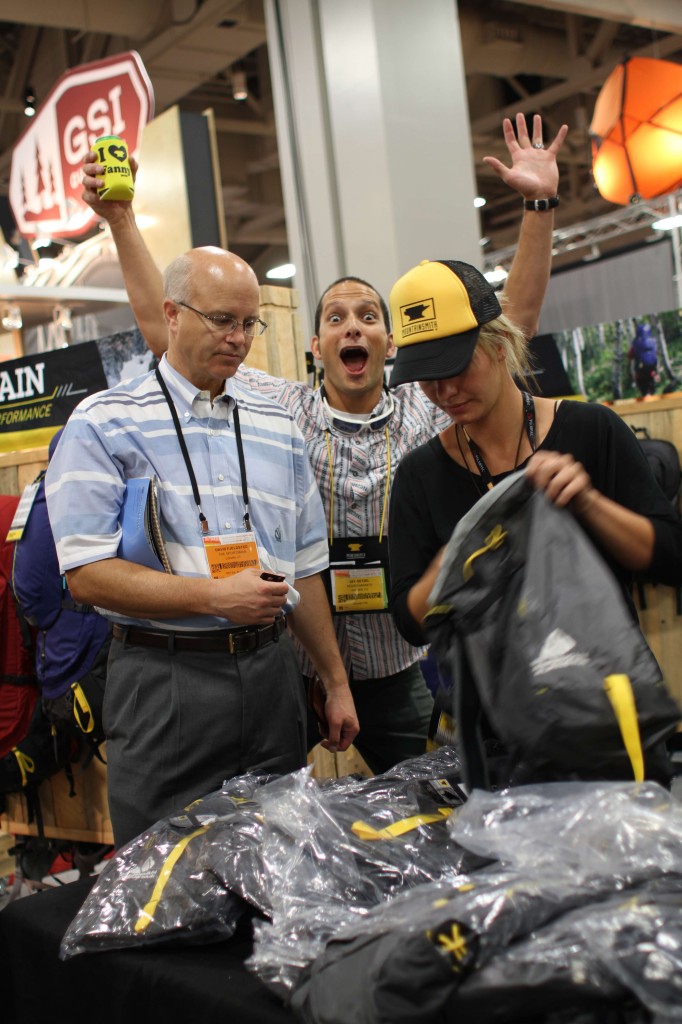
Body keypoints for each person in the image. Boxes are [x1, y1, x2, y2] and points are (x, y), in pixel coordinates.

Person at [81, 114, 567, 774]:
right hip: (300, 666)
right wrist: (121, 218)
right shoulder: (281, 412)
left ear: (389, 344)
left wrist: (537, 207)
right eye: (334, 317)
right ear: (317, 348)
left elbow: (515, 325)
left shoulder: (424, 417)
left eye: (368, 316)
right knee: (284, 822)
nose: (352, 326)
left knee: (431, 804)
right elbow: (163, 329)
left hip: (402, 667)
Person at [46, 246, 359, 847]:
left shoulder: (277, 425)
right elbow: (86, 574)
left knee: (282, 859)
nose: (239, 338)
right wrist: (215, 596)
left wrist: (334, 681)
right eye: (222, 320)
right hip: (164, 681)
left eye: (249, 322)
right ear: (171, 313)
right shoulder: (103, 423)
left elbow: (309, 570)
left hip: (271, 679)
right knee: (164, 874)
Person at [386, 258, 682, 652]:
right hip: (493, 705)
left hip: (603, 691)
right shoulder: (420, 475)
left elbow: (670, 557)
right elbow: (409, 623)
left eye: (456, 368)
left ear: (501, 346)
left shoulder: (591, 430)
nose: (445, 392)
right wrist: (448, 567)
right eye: (427, 377)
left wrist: (589, 505)